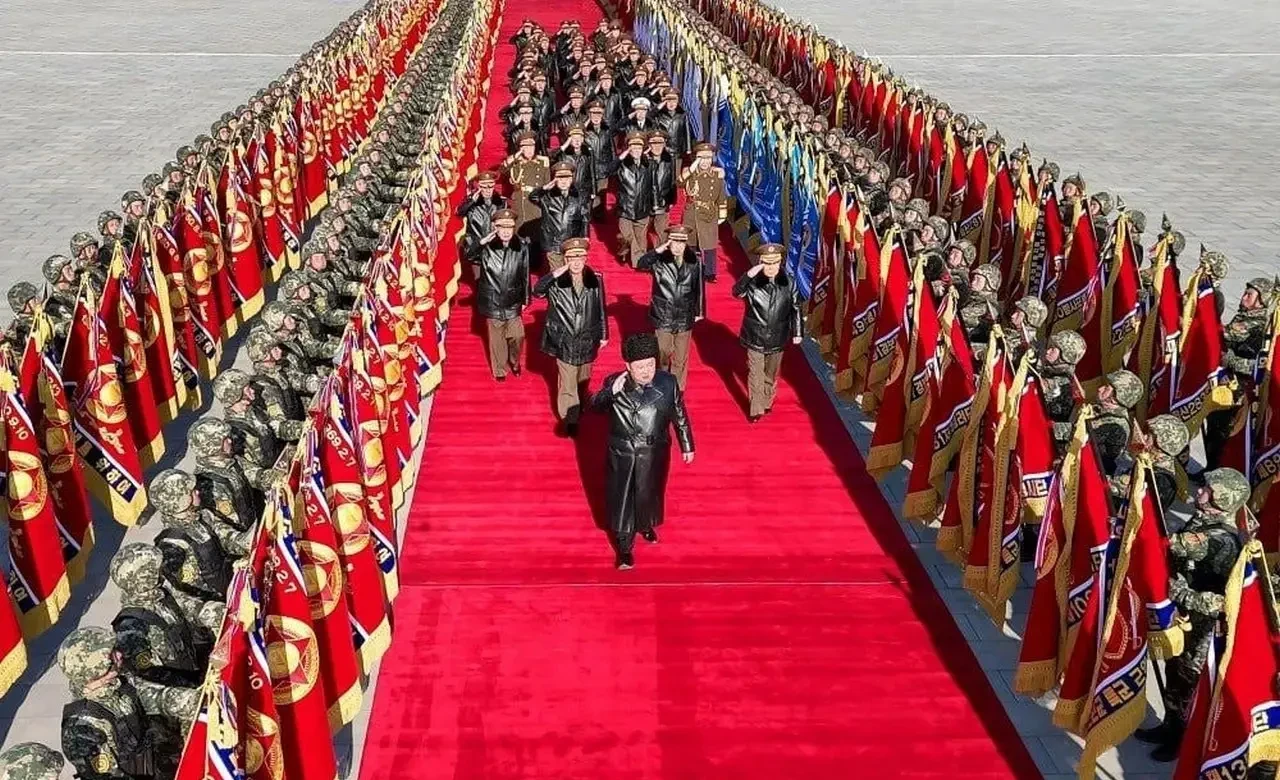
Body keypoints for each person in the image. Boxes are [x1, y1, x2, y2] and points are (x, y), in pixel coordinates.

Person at [591, 332, 695, 570]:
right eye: (640, 367)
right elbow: (595, 406)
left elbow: (679, 414)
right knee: (623, 501)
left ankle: (645, 525)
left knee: (649, 494)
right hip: (624, 453)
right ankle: (624, 549)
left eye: (650, 364)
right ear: (628, 366)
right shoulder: (615, 383)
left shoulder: (667, 382)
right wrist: (611, 392)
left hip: (654, 451)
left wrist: (687, 445)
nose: (647, 371)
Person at [533, 238, 608, 436]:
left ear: (585, 259)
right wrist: (554, 274)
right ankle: (570, 419)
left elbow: (601, 308)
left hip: (588, 338)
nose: (576, 263)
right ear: (566, 260)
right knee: (567, 383)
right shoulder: (556, 281)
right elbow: (537, 291)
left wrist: (604, 334)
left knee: (583, 378)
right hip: (564, 340)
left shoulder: (595, 279)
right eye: (572, 259)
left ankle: (579, 405)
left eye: (580, 258)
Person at [732, 243, 803, 422]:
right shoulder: (753, 282)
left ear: (780, 263)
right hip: (755, 334)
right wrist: (749, 275)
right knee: (755, 373)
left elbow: (796, 308)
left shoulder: (789, 282)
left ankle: (766, 401)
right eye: (766, 263)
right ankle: (756, 409)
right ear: (760, 263)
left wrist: (798, 332)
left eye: (774, 263)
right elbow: (736, 292)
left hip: (778, 335)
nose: (770, 268)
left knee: (770, 374)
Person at [636, 225, 705, 390]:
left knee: (680, 358)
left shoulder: (694, 261)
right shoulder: (659, 260)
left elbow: (700, 288)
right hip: (663, 315)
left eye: (681, 242)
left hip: (684, 315)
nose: (678, 246)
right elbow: (641, 264)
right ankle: (661, 385)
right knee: (663, 353)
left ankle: (677, 390)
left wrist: (700, 311)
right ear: (669, 242)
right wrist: (657, 251)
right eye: (675, 242)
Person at [473, 209, 531, 381]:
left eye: (509, 228)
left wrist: (526, 298)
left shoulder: (521, 246)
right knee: (497, 338)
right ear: (495, 228)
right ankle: (499, 370)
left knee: (518, 335)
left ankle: (514, 360)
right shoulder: (487, 247)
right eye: (502, 227)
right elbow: (469, 254)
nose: (506, 232)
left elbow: (525, 273)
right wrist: (481, 242)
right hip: (492, 300)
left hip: (513, 300)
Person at [528, 161, 589, 270]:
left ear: (571, 179)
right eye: (560, 178)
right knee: (557, 273)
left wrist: (585, 235)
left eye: (567, 178)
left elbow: (584, 217)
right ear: (554, 180)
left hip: (571, 242)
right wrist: (544, 188)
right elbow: (532, 197)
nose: (563, 182)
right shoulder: (547, 197)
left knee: (571, 272)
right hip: (553, 243)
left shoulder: (579, 196)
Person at [680, 142, 726, 281]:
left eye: (708, 158)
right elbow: (680, 182)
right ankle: (691, 269)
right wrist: (693, 167)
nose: (705, 162)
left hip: (709, 212)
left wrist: (722, 214)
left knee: (710, 244)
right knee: (691, 243)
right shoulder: (690, 172)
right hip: (692, 212)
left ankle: (710, 272)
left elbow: (721, 195)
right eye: (701, 158)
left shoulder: (717, 174)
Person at [614, 131, 654, 267]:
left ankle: (639, 262)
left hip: (643, 207)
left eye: (639, 148)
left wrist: (653, 205)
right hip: (625, 208)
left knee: (640, 237)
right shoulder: (622, 164)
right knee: (626, 236)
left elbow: (653, 186)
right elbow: (609, 169)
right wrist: (622, 156)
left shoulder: (649, 164)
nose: (636, 151)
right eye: (633, 148)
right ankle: (623, 249)